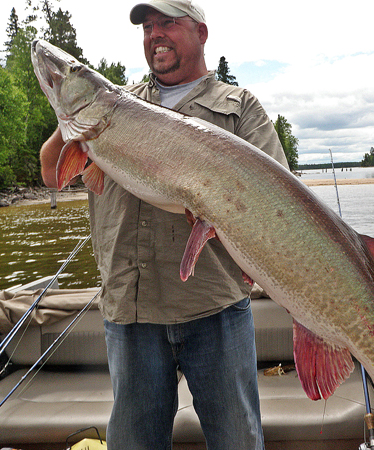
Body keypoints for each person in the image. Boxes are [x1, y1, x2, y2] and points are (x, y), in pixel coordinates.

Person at [39, 1, 289, 449]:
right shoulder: (115, 102)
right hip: (130, 309)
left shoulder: (240, 108)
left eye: (168, 23)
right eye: (148, 26)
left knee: (237, 441)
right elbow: (48, 171)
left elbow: (278, 203)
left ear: (201, 33)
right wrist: (71, 113)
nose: (155, 34)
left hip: (215, 307)